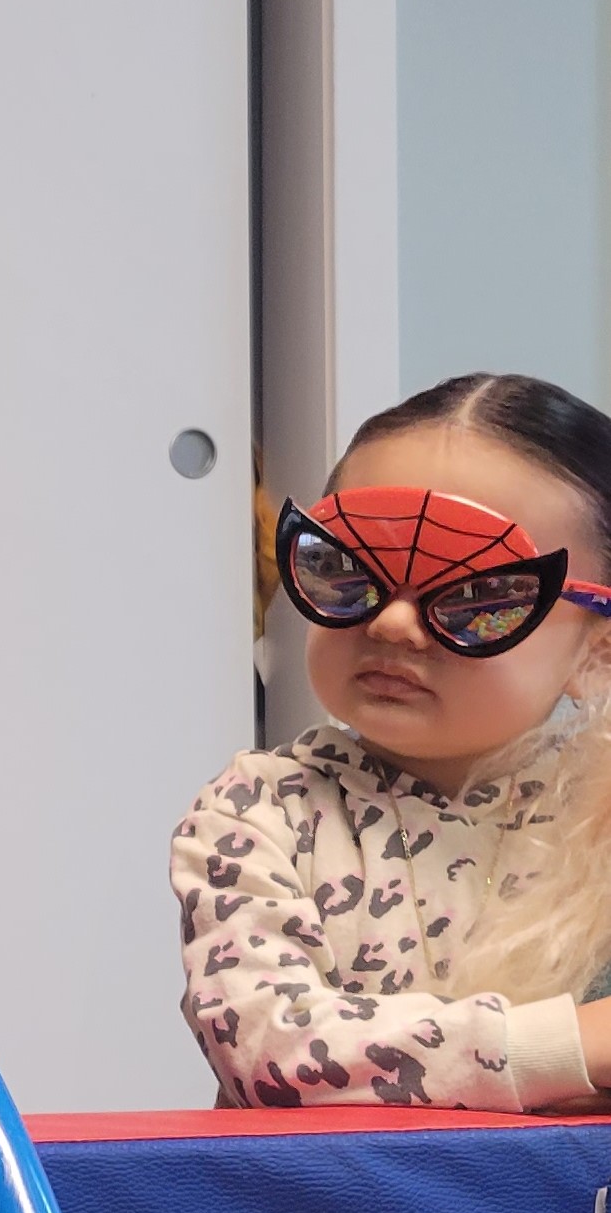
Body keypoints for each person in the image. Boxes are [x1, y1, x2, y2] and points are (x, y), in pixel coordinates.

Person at [174, 371, 611, 1109]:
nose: (393, 623)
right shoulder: (261, 812)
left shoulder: (596, 821)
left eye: (476, 594)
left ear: (598, 651)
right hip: (333, 1187)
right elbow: (273, 1055)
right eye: (344, 568)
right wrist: (574, 1046)